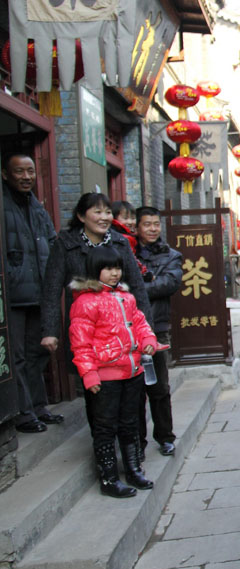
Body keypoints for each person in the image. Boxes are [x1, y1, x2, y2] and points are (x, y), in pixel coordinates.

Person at [68, 247, 157, 498]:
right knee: (105, 426)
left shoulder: (126, 298)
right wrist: (89, 373)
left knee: (130, 423)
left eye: (117, 268)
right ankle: (108, 478)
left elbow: (139, 323)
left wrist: (148, 339)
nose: (114, 273)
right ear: (95, 271)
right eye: (108, 268)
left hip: (132, 371)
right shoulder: (85, 302)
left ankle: (133, 469)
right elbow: (80, 342)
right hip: (105, 376)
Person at [40, 193, 150, 366]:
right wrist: (50, 331)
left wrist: (147, 331)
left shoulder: (120, 243)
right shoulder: (66, 244)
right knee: (91, 379)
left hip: (120, 327)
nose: (104, 217)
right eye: (98, 212)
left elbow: (137, 287)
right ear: (81, 216)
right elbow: (51, 290)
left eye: (107, 212)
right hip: (85, 329)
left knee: (126, 378)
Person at [2, 153, 64, 433]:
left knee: (38, 352)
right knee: (15, 357)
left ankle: (39, 407)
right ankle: (24, 413)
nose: (27, 177)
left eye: (30, 171)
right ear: (5, 174)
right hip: (12, 295)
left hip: (39, 291)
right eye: (19, 172)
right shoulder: (3, 204)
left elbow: (52, 242)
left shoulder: (37, 207)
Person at [134, 206, 181, 457]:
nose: (152, 229)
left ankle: (165, 437)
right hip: (129, 329)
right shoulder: (127, 252)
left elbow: (170, 283)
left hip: (157, 327)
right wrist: (147, 283)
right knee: (135, 390)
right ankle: (137, 442)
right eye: (147, 224)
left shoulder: (171, 255)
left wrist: (136, 287)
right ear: (136, 227)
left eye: (156, 224)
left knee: (160, 386)